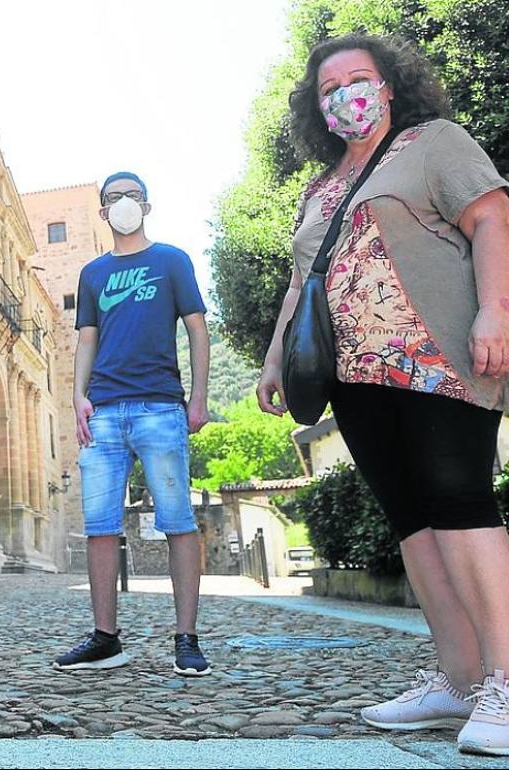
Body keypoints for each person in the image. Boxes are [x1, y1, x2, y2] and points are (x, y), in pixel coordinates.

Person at [257, 34, 509, 756]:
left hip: (436, 357)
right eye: (329, 89)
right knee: (413, 521)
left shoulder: (434, 143)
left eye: (357, 79)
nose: (345, 96)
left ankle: (506, 679)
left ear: (390, 85)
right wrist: (275, 360)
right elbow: (299, 284)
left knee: (460, 506)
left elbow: (491, 216)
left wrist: (496, 310)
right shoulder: (319, 189)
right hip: (355, 377)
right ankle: (460, 681)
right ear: (317, 108)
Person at [54, 171, 212, 677]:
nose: (123, 202)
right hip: (103, 413)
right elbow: (86, 339)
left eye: (132, 195)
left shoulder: (172, 261)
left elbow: (198, 330)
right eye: (114, 197)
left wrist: (198, 398)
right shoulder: (93, 273)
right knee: (100, 527)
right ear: (103, 211)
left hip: (160, 408)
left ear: (147, 205)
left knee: (178, 523)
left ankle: (186, 639)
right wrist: (77, 395)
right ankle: (105, 640)